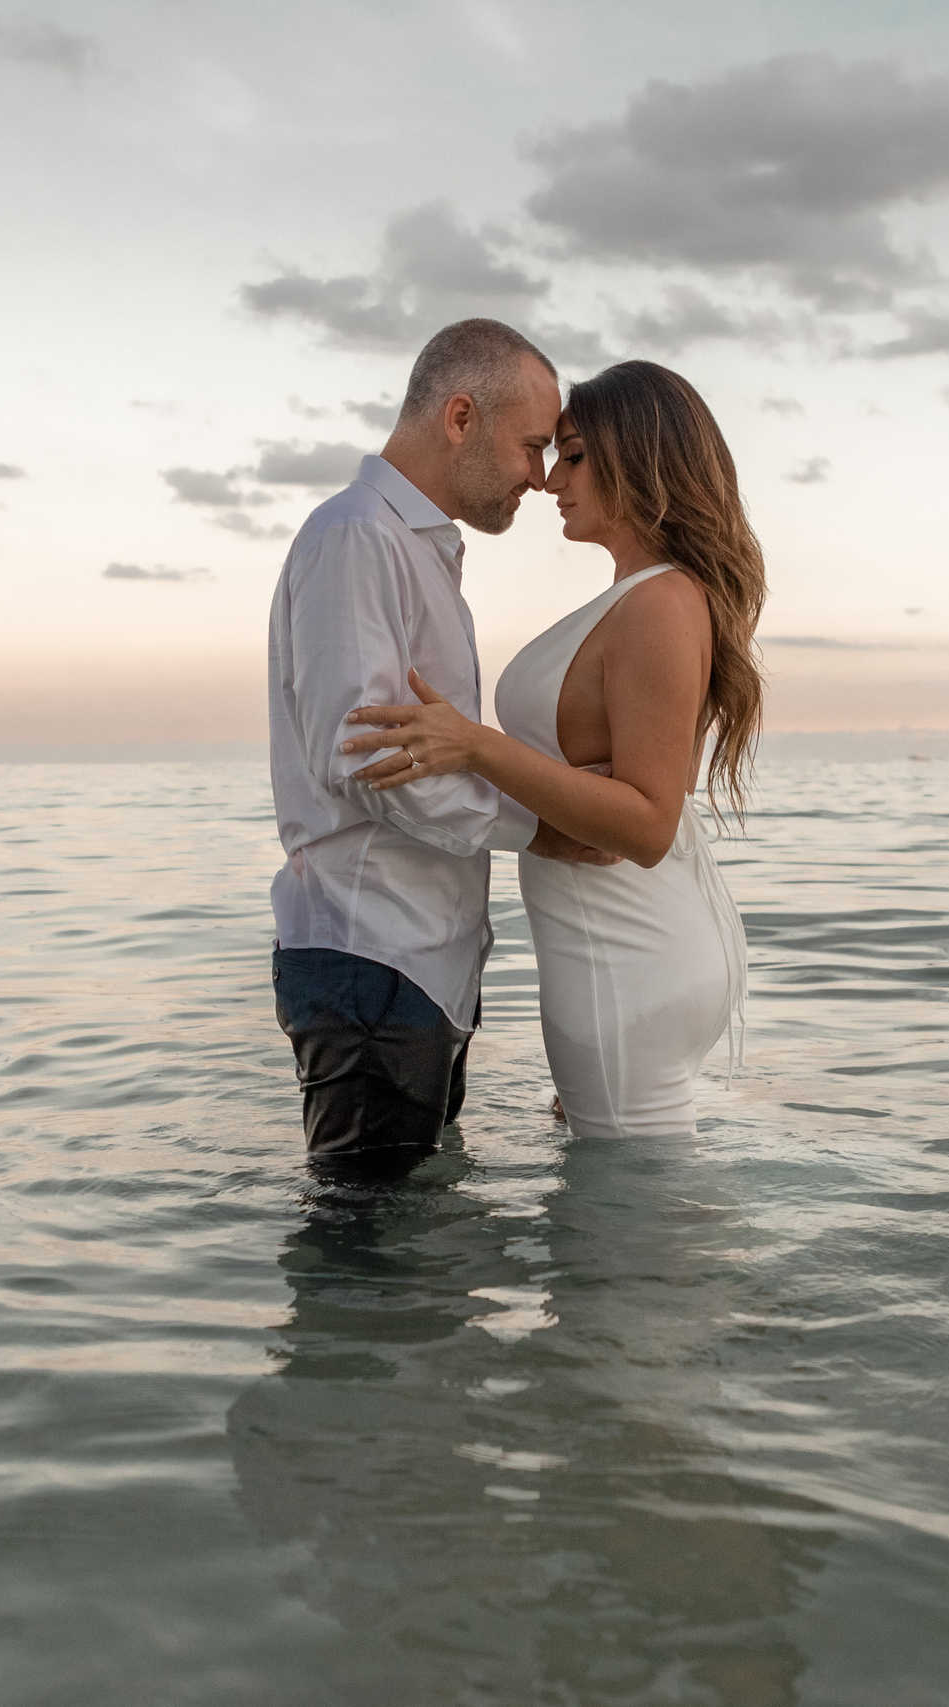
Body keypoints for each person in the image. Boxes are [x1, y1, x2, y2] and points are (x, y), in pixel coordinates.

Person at [340, 360, 762, 1138]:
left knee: (631, 1209)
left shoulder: (660, 603)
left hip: (627, 954)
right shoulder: (644, 597)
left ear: (639, 459)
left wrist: (475, 747)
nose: (549, 480)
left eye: (573, 456)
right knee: (625, 1185)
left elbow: (648, 823)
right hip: (628, 951)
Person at [267, 318, 618, 1170]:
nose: (539, 477)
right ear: (461, 417)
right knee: (370, 1240)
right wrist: (546, 829)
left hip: (416, 963)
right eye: (531, 446)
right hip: (372, 952)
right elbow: (369, 761)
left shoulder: (414, 551)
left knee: (411, 1231)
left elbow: (423, 752)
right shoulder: (358, 538)